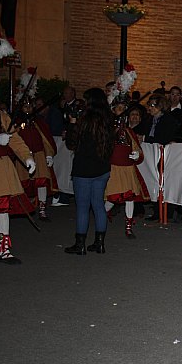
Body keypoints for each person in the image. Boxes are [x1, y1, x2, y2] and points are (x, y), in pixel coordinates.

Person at [64, 88, 114, 255]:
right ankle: (99, 243)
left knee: (83, 207)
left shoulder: (83, 121)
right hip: (102, 167)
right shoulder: (107, 120)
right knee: (98, 204)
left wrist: (71, 124)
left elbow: (71, 143)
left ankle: (80, 244)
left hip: (84, 168)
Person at [0, 96, 36, 264]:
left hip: (1, 168)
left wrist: (27, 157)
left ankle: (4, 250)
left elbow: (15, 139)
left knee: (2, 207)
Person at [103, 98, 150, 240]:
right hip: (114, 168)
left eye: (124, 108)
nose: (122, 111)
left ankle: (128, 227)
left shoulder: (129, 131)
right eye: (119, 108)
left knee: (130, 197)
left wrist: (137, 155)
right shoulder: (108, 130)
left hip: (128, 169)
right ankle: (102, 215)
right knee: (112, 198)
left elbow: (138, 151)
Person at [14, 97, 58, 221]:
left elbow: (46, 139)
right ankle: (24, 208)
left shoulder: (39, 121)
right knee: (23, 183)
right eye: (25, 106)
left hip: (39, 155)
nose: (28, 109)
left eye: (30, 106)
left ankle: (42, 209)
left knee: (42, 181)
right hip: (22, 157)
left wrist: (49, 154)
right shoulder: (16, 122)